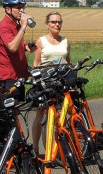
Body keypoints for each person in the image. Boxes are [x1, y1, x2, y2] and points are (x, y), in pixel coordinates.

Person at [31, 11, 70, 155]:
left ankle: (59, 146)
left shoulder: (65, 41)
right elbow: (36, 63)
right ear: (47, 24)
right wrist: (37, 81)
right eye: (53, 22)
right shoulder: (41, 41)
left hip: (60, 82)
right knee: (40, 114)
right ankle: (35, 148)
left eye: (59, 21)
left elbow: (68, 62)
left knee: (60, 115)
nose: (57, 24)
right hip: (45, 81)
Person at [0, 0, 33, 101]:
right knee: (11, 114)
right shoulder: (5, 26)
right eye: (18, 7)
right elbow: (12, 47)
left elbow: (10, 47)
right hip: (9, 78)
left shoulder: (15, 25)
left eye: (23, 7)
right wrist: (24, 27)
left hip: (18, 76)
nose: (22, 10)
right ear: (8, 9)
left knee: (17, 113)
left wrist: (25, 48)